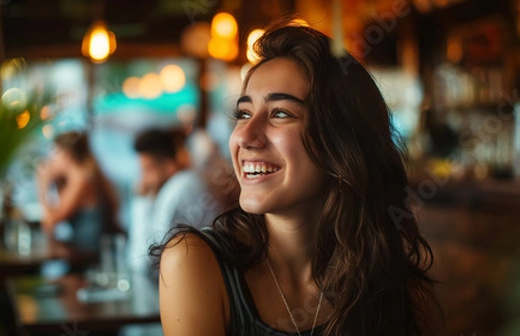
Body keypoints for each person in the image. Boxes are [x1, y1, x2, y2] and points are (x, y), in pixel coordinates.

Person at [151, 21, 441, 336]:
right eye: (244, 114)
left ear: (342, 143)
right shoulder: (195, 263)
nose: (245, 135)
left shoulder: (390, 277)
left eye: (280, 113)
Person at [129, 128, 221, 272]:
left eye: (147, 170)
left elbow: (143, 262)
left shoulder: (177, 190)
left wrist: (141, 200)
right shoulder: (186, 182)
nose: (143, 180)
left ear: (169, 166)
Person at [37, 131, 121, 253]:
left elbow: (50, 223)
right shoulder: (85, 173)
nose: (52, 161)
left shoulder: (80, 179)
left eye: (54, 154)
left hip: (87, 254)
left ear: (67, 154)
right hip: (86, 248)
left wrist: (42, 186)